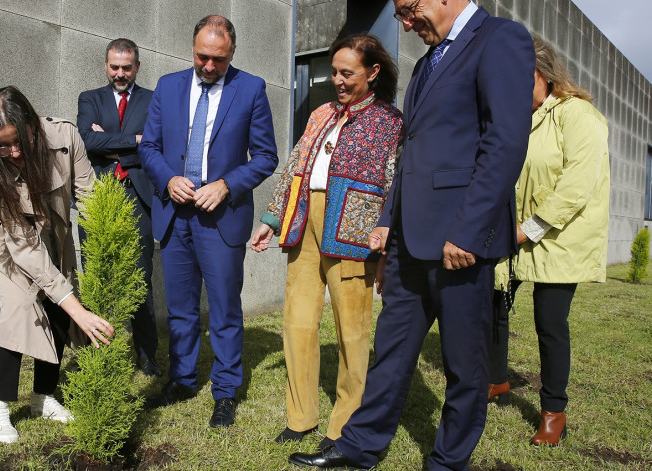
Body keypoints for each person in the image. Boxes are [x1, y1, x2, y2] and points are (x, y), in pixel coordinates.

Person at [289, 0, 534, 469]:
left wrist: (468, 231)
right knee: (392, 350)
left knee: (464, 365)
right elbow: (408, 154)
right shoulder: (427, 62)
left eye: (409, 8)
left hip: (460, 241)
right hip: (408, 239)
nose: (404, 22)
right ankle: (360, 446)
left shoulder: (500, 39)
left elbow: (505, 142)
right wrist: (387, 221)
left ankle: (446, 461)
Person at [249, 33, 402, 446]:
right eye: (334, 71)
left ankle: (345, 425)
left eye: (346, 73)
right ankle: (300, 418)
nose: (337, 79)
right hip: (303, 227)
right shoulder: (319, 114)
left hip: (354, 234)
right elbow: (295, 167)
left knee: (352, 334)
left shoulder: (391, 123)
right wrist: (270, 217)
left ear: (372, 73)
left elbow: (395, 185)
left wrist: (386, 242)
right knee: (297, 324)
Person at [138, 14, 278, 428]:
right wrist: (168, 178)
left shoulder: (250, 88)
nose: (210, 66)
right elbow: (149, 148)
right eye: (203, 56)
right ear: (192, 48)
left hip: (222, 220)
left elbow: (266, 156)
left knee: (223, 309)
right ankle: (182, 379)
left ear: (232, 53)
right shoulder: (168, 86)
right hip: (175, 215)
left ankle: (226, 391)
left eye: (219, 58)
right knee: (180, 309)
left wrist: (226, 185)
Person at [0, 86, 116, 444]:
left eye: (18, 141)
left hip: (52, 228)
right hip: (7, 239)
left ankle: (43, 398)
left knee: (58, 308)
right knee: (22, 307)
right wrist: (79, 310)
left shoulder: (64, 136)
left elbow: (90, 196)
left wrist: (107, 244)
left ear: (32, 124)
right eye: (2, 145)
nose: (13, 152)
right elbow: (26, 249)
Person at [487, 36, 610, 447]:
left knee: (550, 323)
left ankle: (553, 412)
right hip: (514, 232)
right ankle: (497, 381)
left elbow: (577, 187)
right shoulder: (519, 117)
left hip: (558, 237)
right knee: (495, 303)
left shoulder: (580, 116)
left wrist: (528, 229)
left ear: (541, 74)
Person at [77, 38, 161, 377]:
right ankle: (97, 354)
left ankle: (146, 354)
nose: (120, 73)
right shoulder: (90, 99)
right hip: (97, 197)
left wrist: (112, 145)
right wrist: (136, 142)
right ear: (106, 65)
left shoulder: (153, 101)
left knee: (140, 279)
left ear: (137, 67)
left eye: (127, 67)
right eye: (115, 66)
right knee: (97, 277)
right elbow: (87, 141)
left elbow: (157, 144)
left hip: (139, 199)